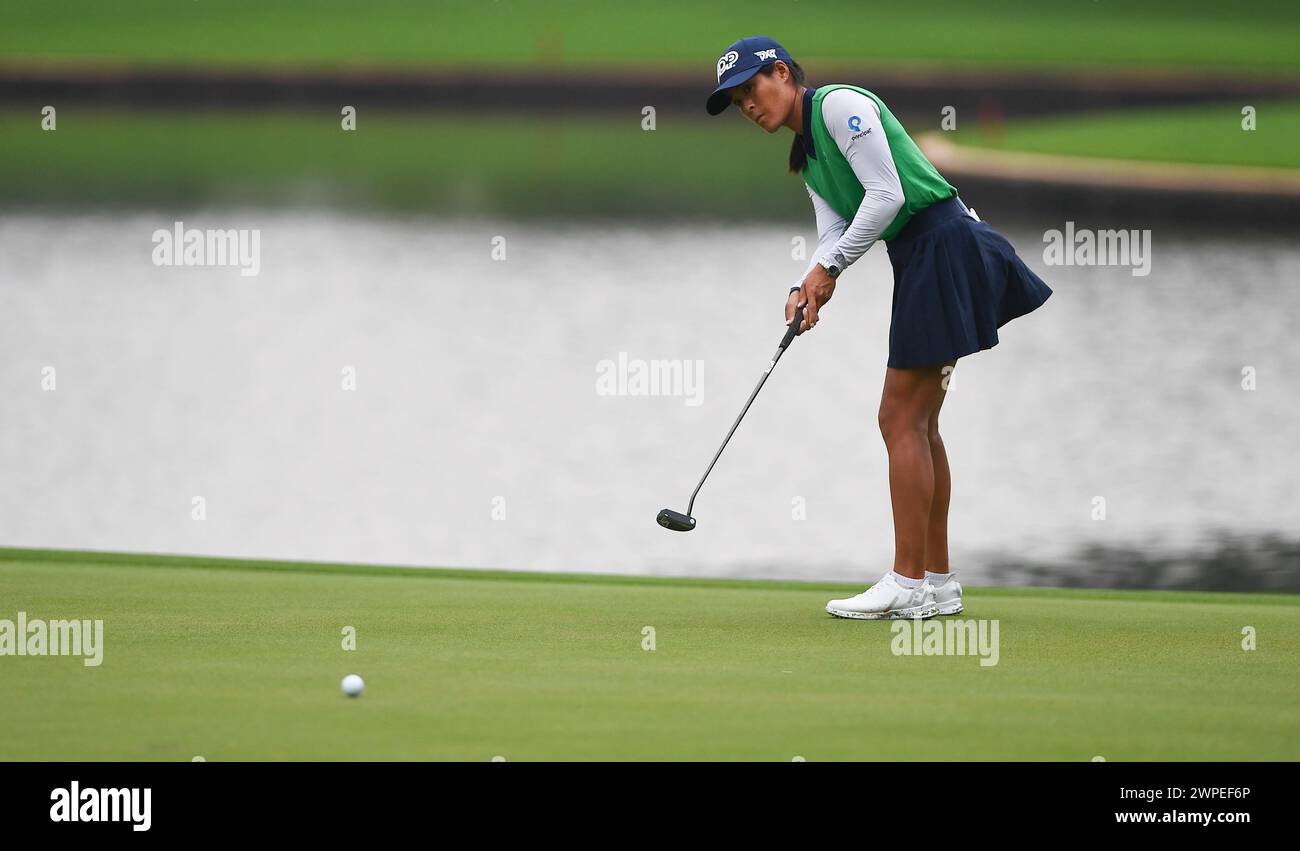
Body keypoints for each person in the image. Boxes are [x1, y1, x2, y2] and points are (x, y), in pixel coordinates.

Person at [705, 36, 1052, 619]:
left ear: (782, 74)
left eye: (751, 89)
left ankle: (906, 582)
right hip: (924, 256)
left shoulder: (839, 107)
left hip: (943, 245)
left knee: (898, 418)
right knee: (920, 423)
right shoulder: (806, 154)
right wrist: (807, 285)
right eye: (737, 102)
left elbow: (888, 195)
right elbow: (833, 232)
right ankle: (938, 584)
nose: (748, 106)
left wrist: (831, 269)